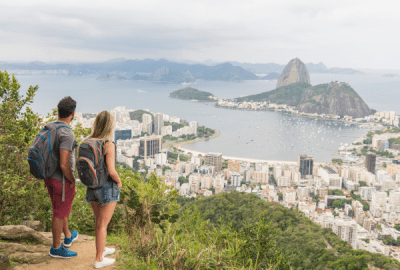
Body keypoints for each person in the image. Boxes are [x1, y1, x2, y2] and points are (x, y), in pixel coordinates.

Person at [84, 111, 122, 268]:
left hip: (91, 187)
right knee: (102, 224)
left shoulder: (87, 142)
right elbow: (111, 171)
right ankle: (99, 259)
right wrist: (119, 182)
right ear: (110, 126)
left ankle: (102, 249)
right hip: (106, 187)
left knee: (98, 223)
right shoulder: (108, 144)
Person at [45, 96, 79, 258]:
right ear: (72, 114)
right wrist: (72, 179)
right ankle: (56, 248)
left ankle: (67, 236)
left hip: (49, 176)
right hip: (61, 180)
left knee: (60, 208)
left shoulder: (50, 126)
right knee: (59, 213)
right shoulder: (67, 133)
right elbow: (65, 164)